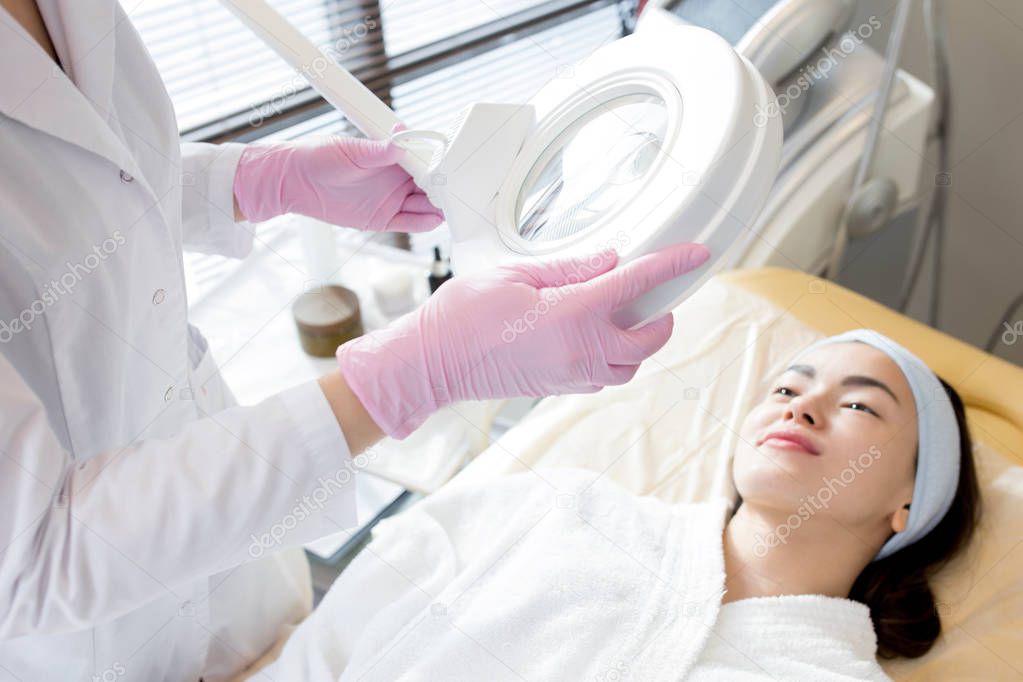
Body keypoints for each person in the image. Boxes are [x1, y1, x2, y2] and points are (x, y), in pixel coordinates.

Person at [0, 1, 712, 679]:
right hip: (84, 637)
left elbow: (82, 183)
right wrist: (412, 373)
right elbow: (31, 560)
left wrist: (247, 182)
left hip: (220, 515)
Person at [260, 329, 981, 680]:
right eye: (786, 390)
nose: (803, 407)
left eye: (858, 403)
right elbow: (328, 648)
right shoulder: (557, 509)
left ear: (910, 499)